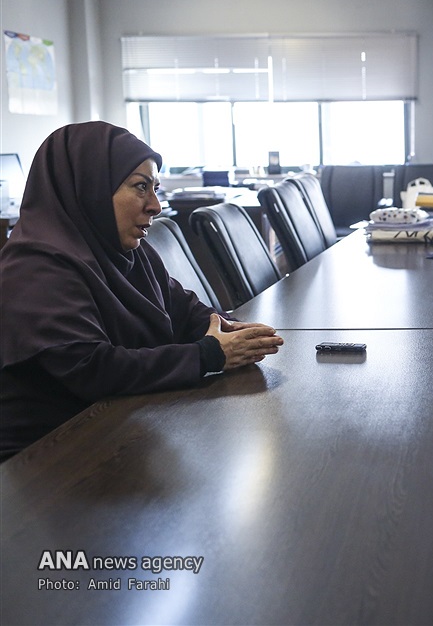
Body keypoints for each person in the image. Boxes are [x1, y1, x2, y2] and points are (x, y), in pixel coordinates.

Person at [0, 122, 283, 461]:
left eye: (155, 188)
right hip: (48, 458)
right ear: (90, 188)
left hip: (120, 427)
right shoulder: (34, 267)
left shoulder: (128, 251)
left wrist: (228, 329)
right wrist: (208, 354)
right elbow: (93, 368)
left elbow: (182, 307)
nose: (155, 205)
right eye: (140, 187)